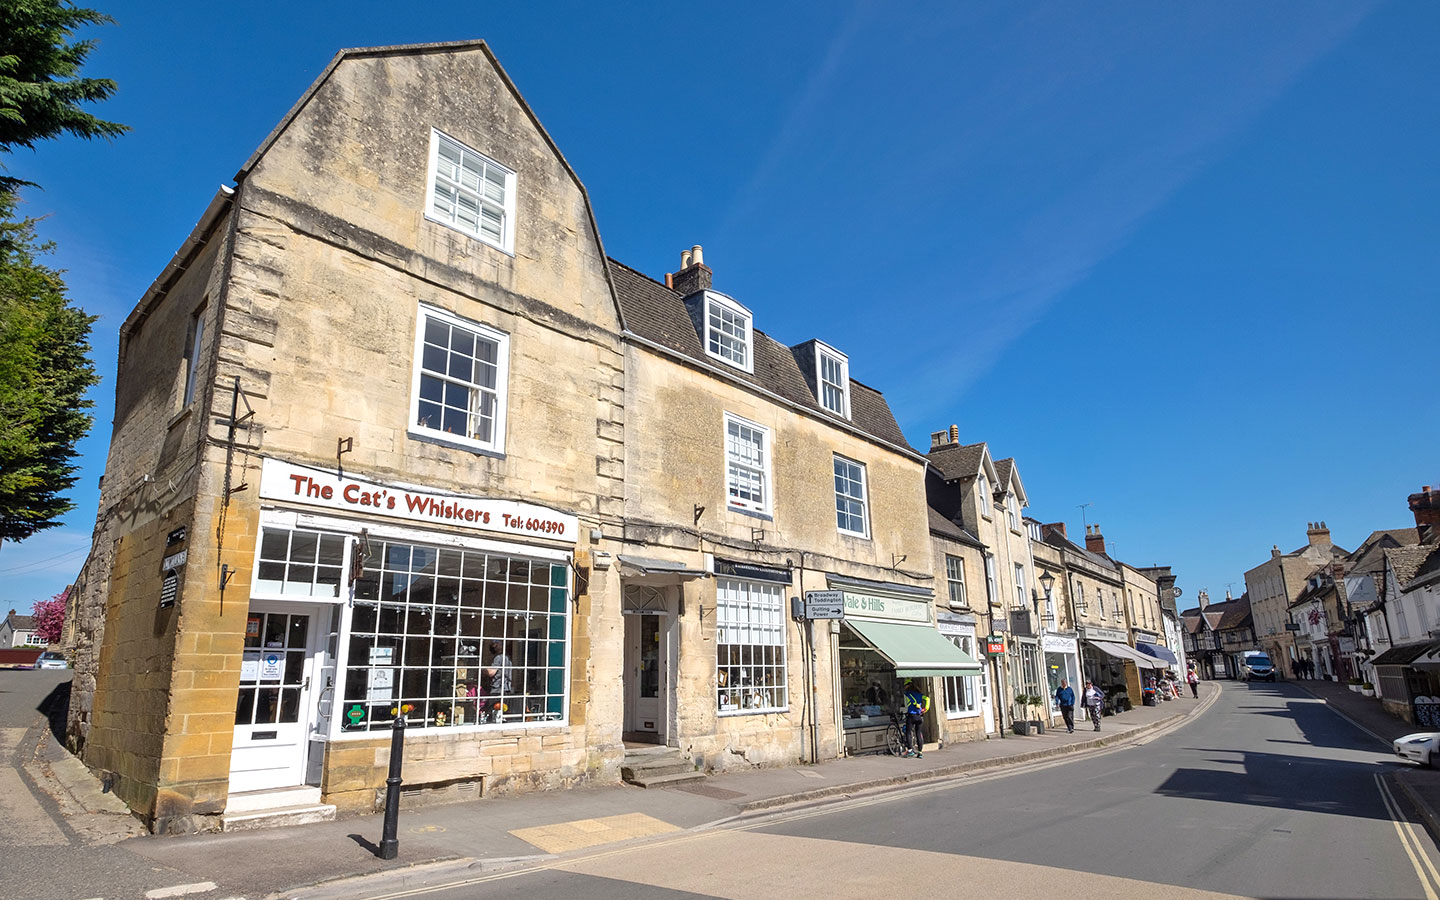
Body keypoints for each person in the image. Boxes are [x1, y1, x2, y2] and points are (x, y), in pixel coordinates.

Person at [902, 679, 930, 758]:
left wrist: (915, 704)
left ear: (907, 686)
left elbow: (910, 701)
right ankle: (920, 752)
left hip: (912, 715)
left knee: (908, 732)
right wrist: (925, 708)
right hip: (919, 716)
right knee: (918, 733)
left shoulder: (908, 693)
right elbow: (928, 699)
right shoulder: (919, 693)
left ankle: (910, 750)